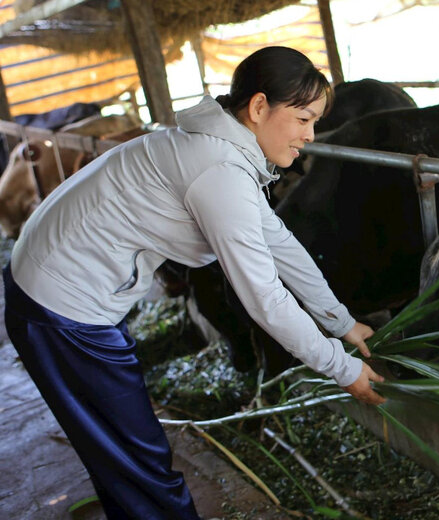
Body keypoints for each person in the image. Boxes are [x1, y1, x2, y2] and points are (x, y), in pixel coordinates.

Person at [4, 46, 386, 519]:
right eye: (304, 119)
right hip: (61, 306)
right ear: (259, 107)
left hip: (64, 289)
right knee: (138, 458)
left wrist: (342, 323)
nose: (310, 136)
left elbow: (280, 243)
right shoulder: (220, 172)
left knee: (122, 447)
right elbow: (265, 299)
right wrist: (342, 370)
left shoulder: (219, 149)